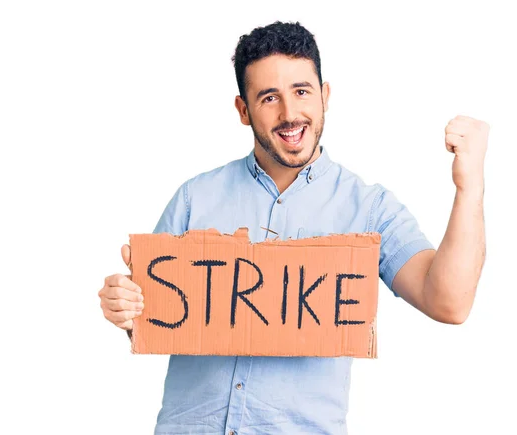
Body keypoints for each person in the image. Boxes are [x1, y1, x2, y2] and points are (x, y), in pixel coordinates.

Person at [98, 21, 488, 435]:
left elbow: (448, 302)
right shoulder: (195, 197)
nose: (289, 114)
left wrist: (471, 187)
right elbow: (155, 320)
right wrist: (127, 310)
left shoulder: (370, 209)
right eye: (269, 98)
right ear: (243, 110)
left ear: (325, 96)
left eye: (302, 91)